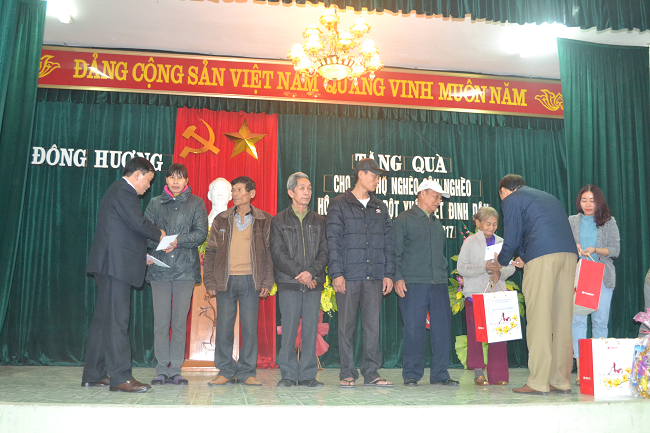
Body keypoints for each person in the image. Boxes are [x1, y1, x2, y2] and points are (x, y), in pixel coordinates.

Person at [82, 157, 164, 393]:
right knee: (117, 321)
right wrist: (160, 234)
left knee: (103, 320)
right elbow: (138, 224)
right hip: (114, 267)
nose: (148, 187)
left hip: (111, 264)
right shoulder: (124, 191)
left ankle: (93, 374)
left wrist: (140, 256)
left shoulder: (118, 191)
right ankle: (120, 377)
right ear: (138, 175)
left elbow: (123, 233)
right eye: (148, 180)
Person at [495, 174, 577, 395]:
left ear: (504, 191)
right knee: (562, 320)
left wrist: (500, 261)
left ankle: (538, 382)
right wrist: (525, 256)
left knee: (539, 319)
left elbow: (512, 238)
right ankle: (561, 381)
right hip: (569, 256)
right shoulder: (547, 197)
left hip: (543, 259)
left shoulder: (511, 199)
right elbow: (542, 229)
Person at [326, 158, 395, 388]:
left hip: (374, 276)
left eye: (379, 177)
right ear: (361, 175)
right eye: (374, 176)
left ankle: (371, 372)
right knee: (346, 327)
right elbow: (333, 242)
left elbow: (388, 243)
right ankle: (347, 371)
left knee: (372, 327)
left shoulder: (380, 207)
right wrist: (336, 273)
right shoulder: (339, 204)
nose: (377, 180)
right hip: (349, 275)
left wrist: (388, 274)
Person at [203, 176, 273, 386]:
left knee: (249, 329)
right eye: (233, 190)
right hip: (225, 280)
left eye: (240, 190)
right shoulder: (222, 219)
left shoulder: (264, 219)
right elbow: (211, 251)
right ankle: (225, 370)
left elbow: (270, 253)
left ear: (252, 194)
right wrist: (210, 281)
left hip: (252, 280)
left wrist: (267, 282)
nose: (235, 194)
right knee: (224, 328)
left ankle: (247, 372)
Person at [144, 163, 208, 386]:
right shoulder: (154, 203)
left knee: (179, 323)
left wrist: (177, 241)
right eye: (172, 177)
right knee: (161, 323)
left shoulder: (196, 203)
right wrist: (160, 241)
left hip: (185, 271)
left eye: (180, 178)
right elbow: (144, 233)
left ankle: (176, 370)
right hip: (159, 269)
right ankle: (162, 369)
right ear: (166, 180)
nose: (175, 182)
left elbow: (201, 233)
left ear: (187, 181)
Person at [394, 179, 459, 387]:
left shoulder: (437, 223)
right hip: (413, 282)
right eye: (436, 197)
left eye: (440, 198)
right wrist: (397, 277)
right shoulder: (404, 219)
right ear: (422, 193)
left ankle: (440, 373)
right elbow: (394, 252)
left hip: (438, 283)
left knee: (442, 330)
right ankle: (412, 373)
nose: (439, 202)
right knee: (414, 329)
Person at [270, 172, 329, 388]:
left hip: (313, 283)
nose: (307, 192)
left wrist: (311, 272)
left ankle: (307, 376)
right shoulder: (278, 220)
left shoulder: (320, 221)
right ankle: (287, 375)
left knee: (310, 331)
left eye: (309, 188)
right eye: (302, 188)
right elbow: (278, 253)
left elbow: (325, 251)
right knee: (289, 331)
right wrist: (301, 274)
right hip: (289, 283)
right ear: (290, 192)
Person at [457, 206, 516, 386]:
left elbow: (511, 267)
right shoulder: (470, 242)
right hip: (474, 296)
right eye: (488, 223)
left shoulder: (502, 242)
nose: (491, 227)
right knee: (476, 336)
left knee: (499, 335)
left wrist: (500, 272)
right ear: (478, 223)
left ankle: (498, 375)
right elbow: (461, 268)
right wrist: (484, 267)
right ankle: (478, 372)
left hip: (496, 296)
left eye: (495, 224)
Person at [568, 185, 620, 384]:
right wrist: (574, 247)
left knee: (600, 323)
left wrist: (596, 249)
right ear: (579, 202)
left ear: (599, 202)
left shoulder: (608, 221)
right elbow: (563, 246)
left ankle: (598, 368)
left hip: (602, 278)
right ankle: (582, 369)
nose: (588, 204)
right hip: (578, 276)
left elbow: (615, 250)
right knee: (578, 322)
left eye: (592, 200)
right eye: (584, 200)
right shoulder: (572, 221)